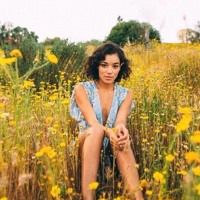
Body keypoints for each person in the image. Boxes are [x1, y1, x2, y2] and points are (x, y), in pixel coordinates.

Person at [69, 42, 143, 200]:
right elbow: (93, 123)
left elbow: (120, 121)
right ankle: (88, 197)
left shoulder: (126, 94)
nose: (110, 71)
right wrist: (110, 132)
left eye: (115, 66)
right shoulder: (81, 89)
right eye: (104, 65)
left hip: (112, 146)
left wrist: (122, 131)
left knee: (121, 138)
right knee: (97, 131)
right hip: (86, 143)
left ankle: (138, 198)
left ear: (120, 67)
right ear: (96, 65)